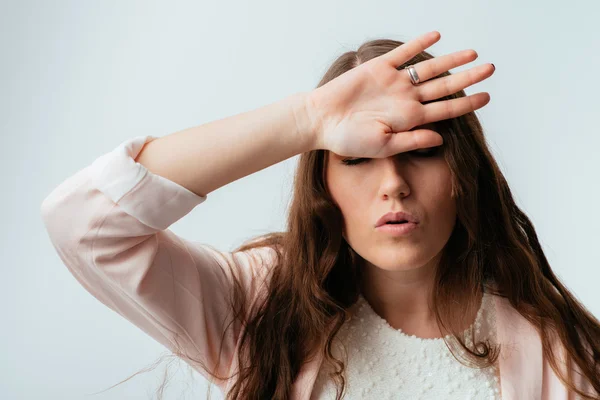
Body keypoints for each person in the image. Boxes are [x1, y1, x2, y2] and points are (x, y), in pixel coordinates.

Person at [41, 31, 599, 399]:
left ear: (464, 175)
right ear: (323, 187)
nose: (394, 185)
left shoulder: (562, 354)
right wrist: (309, 118)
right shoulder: (258, 307)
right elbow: (85, 221)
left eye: (423, 152)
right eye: (357, 159)